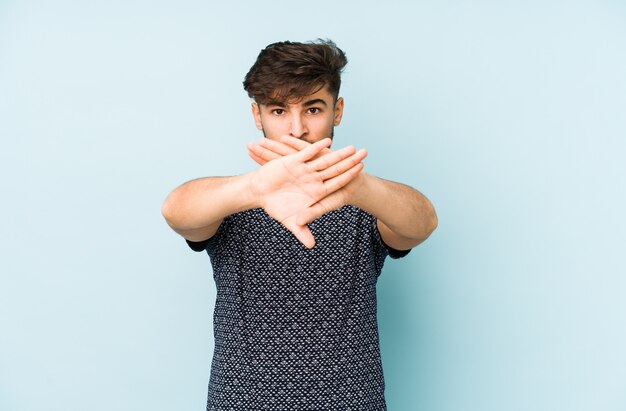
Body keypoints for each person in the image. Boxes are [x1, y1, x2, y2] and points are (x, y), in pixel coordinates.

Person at [162, 39, 438, 410]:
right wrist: (253, 188)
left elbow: (421, 223)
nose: (296, 130)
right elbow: (176, 211)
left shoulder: (365, 204)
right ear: (256, 116)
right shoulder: (232, 202)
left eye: (312, 109)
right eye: (278, 110)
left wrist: (358, 188)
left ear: (336, 111)